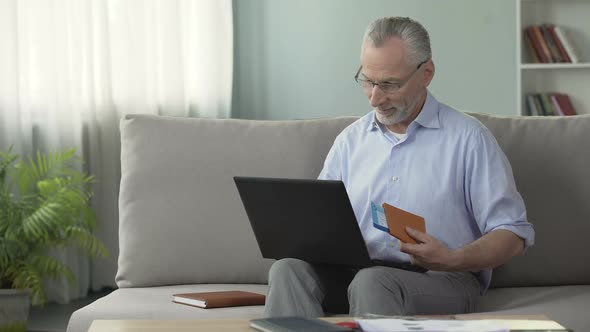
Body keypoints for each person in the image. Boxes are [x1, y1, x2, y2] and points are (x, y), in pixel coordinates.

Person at [263, 17, 535, 318]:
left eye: (390, 84)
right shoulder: (350, 141)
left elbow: (512, 234)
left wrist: (452, 258)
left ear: (426, 73)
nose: (375, 98)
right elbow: (319, 219)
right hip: (355, 273)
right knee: (288, 270)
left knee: (373, 282)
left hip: (443, 279)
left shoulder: (470, 139)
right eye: (367, 80)